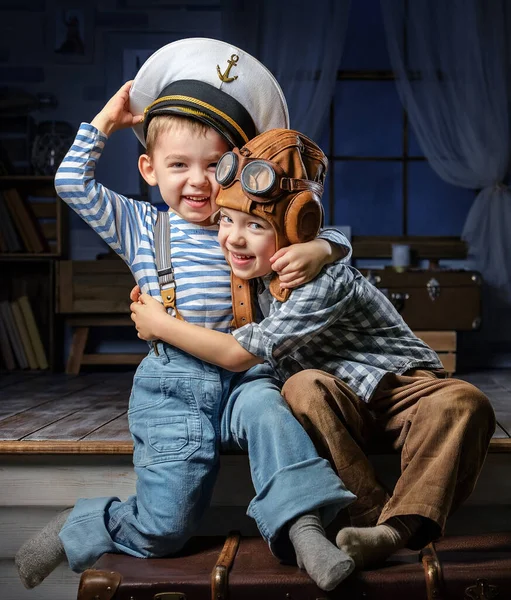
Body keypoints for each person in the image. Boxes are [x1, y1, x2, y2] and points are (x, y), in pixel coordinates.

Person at [15, 39, 356, 592]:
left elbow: (325, 231)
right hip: (174, 387)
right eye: (178, 165)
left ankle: (305, 526)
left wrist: (323, 249)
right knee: (166, 527)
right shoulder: (141, 226)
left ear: (240, 170)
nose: (197, 181)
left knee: (272, 414)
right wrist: (106, 121)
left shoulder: (255, 218)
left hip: (246, 377)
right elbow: (70, 184)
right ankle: (84, 524)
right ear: (149, 169)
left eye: (215, 166)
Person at [129, 126, 496, 571]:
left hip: (402, 391)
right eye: (226, 221)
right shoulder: (251, 271)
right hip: (336, 404)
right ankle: (369, 517)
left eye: (255, 226)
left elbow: (241, 353)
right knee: (300, 388)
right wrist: (328, 243)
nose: (233, 238)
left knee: (465, 400)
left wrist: (161, 325)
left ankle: (395, 530)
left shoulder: (321, 279)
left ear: (294, 229)